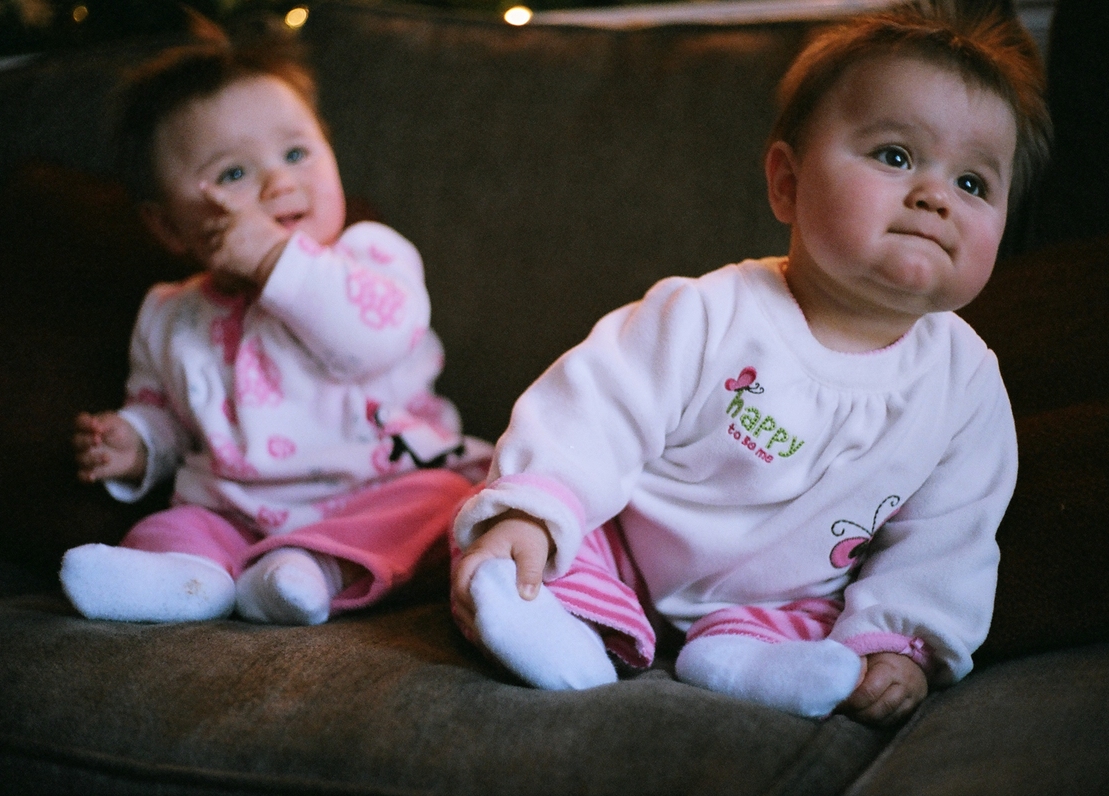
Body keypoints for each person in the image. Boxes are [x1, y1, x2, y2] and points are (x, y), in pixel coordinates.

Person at [449, 3, 1050, 726]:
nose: (934, 197)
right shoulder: (705, 315)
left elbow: (948, 538)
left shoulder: (966, 386)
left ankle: (738, 657)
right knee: (531, 546)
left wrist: (901, 642)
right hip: (632, 549)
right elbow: (594, 411)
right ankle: (547, 621)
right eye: (895, 156)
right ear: (787, 184)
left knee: (824, 628)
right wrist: (532, 516)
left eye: (975, 184)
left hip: (782, 599)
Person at [61, 39, 489, 626]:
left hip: (380, 485)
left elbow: (376, 339)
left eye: (296, 153)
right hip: (235, 506)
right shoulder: (170, 314)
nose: (278, 183)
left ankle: (312, 570)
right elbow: (166, 412)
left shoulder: (369, 258)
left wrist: (275, 260)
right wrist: (137, 444)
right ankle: (186, 578)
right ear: (168, 227)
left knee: (446, 504)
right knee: (171, 523)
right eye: (234, 172)